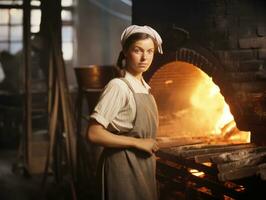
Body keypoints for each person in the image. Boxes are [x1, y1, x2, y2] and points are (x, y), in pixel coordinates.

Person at [87, 25, 163, 200]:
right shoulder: (118, 86)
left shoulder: (145, 89)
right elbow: (93, 133)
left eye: (150, 51)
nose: (145, 57)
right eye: (138, 50)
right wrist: (137, 143)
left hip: (143, 168)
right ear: (126, 52)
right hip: (122, 168)